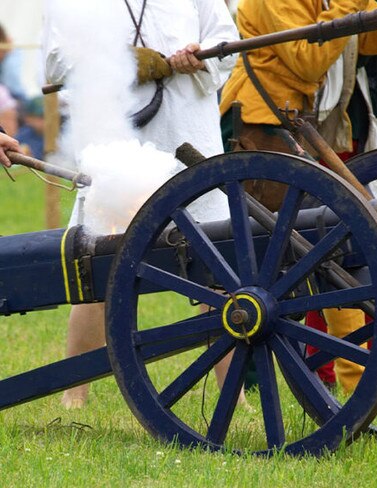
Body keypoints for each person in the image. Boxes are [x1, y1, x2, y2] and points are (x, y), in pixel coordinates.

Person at [220, 0, 377, 393]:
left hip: (301, 124)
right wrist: (347, 4)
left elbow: (373, 39)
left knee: (338, 243)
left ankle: (358, 380)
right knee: (333, 247)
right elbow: (307, 58)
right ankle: (358, 384)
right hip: (263, 128)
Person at [43, 0, 240, 408]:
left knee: (218, 268)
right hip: (113, 135)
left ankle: (234, 396)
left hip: (189, 132)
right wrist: (121, 60)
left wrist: (197, 56)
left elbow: (227, 44)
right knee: (97, 269)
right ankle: (73, 394)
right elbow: (56, 61)